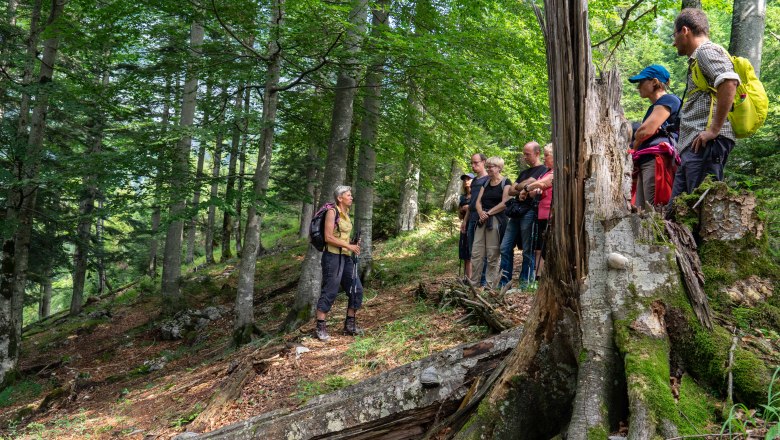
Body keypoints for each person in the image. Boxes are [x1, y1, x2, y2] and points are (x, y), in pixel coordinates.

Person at [670, 8, 739, 202]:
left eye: (674, 35)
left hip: (705, 144)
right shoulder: (697, 58)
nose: (674, 42)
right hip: (695, 146)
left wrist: (713, 130)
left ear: (685, 31)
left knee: (701, 210)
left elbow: (729, 81)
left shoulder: (706, 51)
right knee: (678, 210)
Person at [628, 64, 682, 210]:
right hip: (647, 159)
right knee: (640, 209)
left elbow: (645, 131)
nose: (638, 86)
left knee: (653, 209)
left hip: (656, 159)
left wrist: (637, 142)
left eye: (641, 82)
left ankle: (659, 233)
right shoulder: (654, 107)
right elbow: (646, 131)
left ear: (654, 82)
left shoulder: (669, 100)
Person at [315, 185, 363, 342]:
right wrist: (350, 246)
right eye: (348, 195)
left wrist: (352, 242)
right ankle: (320, 327)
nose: (351, 197)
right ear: (339, 198)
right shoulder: (332, 212)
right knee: (330, 290)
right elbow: (328, 237)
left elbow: (341, 238)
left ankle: (349, 324)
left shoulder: (347, 214)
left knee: (356, 289)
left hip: (345, 257)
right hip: (332, 257)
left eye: (351, 195)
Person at [500, 141, 547, 288]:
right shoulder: (524, 172)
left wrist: (524, 186)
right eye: (524, 154)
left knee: (528, 249)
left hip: (529, 212)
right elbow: (511, 191)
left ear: (537, 153)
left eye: (527, 154)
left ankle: (525, 283)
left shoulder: (543, 170)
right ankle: (504, 282)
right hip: (515, 213)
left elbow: (533, 184)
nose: (524, 157)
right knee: (504, 247)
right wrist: (525, 186)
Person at [470, 157, 511, 289]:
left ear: (499, 167)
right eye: (487, 166)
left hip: (496, 221)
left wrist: (489, 213)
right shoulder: (486, 182)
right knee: (476, 252)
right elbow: (478, 201)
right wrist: (481, 212)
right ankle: (474, 283)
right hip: (482, 220)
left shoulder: (506, 182)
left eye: (491, 166)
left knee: (492, 254)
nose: (488, 169)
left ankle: (489, 286)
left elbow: (505, 203)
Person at [527, 144, 554, 281]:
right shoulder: (545, 172)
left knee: (549, 246)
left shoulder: (555, 171)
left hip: (551, 213)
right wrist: (531, 190)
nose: (544, 158)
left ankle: (548, 277)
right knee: (542, 247)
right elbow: (534, 191)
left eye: (547, 155)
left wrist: (528, 187)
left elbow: (544, 183)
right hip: (541, 213)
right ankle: (540, 277)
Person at [464, 153, 489, 284]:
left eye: (476, 163)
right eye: (472, 163)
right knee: (473, 250)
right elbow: (471, 203)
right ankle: (475, 279)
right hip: (471, 217)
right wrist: (465, 221)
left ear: (484, 162)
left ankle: (484, 280)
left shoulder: (488, 179)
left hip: (482, 218)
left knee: (483, 250)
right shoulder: (474, 181)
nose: (473, 166)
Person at [458, 173, 474, 280]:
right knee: (464, 252)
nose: (466, 181)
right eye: (464, 180)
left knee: (471, 252)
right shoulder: (462, 198)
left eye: (468, 179)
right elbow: (459, 215)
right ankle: (466, 278)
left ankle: (471, 279)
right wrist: (461, 210)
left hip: (473, 224)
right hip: (464, 225)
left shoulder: (477, 195)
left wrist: (469, 208)